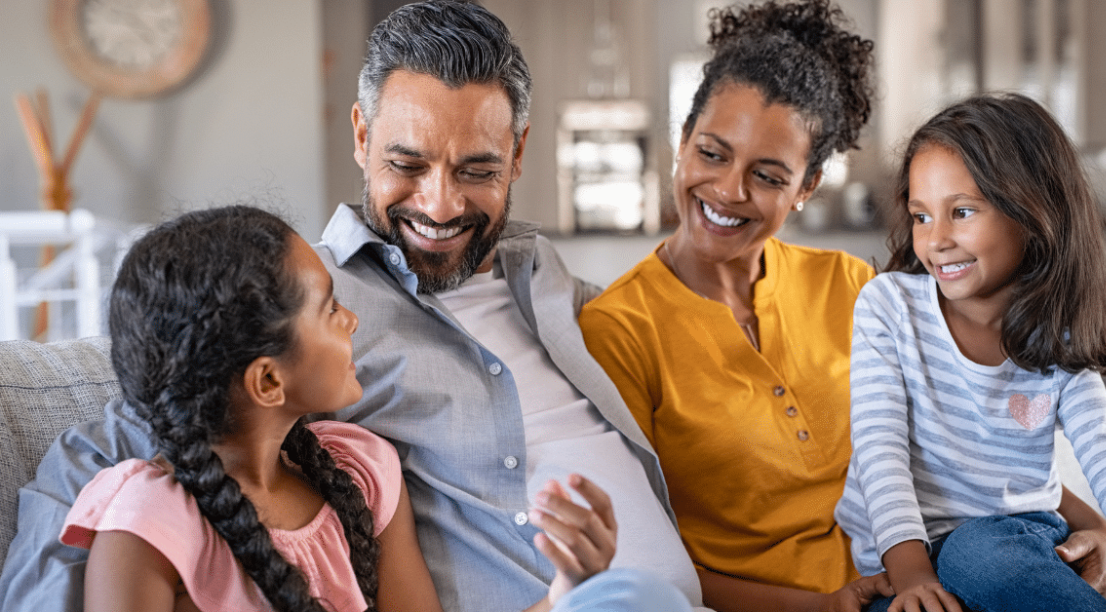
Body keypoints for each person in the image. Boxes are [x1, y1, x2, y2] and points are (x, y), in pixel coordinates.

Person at [0, 2, 700, 611]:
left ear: (518, 154)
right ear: (362, 137)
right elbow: (110, 447)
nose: (441, 204)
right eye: (408, 164)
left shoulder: (545, 278)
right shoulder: (296, 312)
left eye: (477, 170)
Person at [578, 2, 1106, 611]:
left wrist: (1095, 523)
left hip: (936, 581)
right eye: (712, 153)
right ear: (681, 145)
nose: (730, 190)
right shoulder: (616, 331)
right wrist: (824, 605)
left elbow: (970, 440)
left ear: (807, 187)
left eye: (767, 174)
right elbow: (644, 562)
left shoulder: (853, 286)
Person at [833, 93, 1106, 612]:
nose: (936, 240)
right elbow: (881, 455)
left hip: (1013, 550)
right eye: (921, 216)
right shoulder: (889, 308)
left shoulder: (1054, 343)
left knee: (978, 553)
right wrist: (913, 577)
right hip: (909, 568)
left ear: (1034, 214)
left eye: (961, 212)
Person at [61, 205, 443, 611]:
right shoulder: (149, 521)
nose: (351, 320)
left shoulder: (361, 470)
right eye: (330, 309)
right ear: (268, 381)